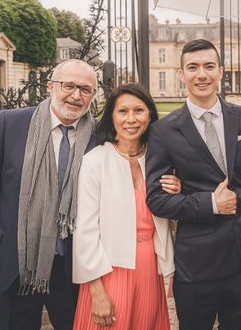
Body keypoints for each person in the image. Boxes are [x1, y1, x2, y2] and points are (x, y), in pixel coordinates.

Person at [145, 39, 241, 330]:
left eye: (208, 66)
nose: (201, 74)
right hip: (197, 264)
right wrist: (210, 204)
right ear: (181, 74)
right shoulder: (163, 131)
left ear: (220, 71)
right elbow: (156, 199)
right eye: (192, 67)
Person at [0, 59, 98, 330]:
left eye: (85, 89)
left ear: (93, 96)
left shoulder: (99, 135)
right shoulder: (11, 124)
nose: (76, 95)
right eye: (69, 86)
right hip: (18, 262)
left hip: (73, 267)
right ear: (50, 86)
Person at [72, 83, 181, 329]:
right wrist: (96, 291)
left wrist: (177, 191)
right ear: (111, 116)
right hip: (108, 269)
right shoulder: (95, 161)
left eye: (139, 111)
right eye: (123, 111)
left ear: (150, 115)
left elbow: (171, 218)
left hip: (150, 268)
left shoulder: (160, 159)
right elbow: (85, 230)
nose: (131, 119)